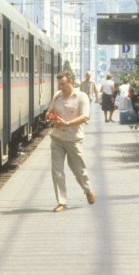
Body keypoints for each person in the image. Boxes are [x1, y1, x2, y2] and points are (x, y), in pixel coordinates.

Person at [46, 70, 95, 212]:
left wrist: (67, 123)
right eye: (59, 84)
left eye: (63, 84)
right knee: (57, 171)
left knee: (78, 170)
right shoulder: (57, 96)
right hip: (57, 139)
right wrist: (51, 117)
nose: (61, 87)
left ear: (71, 82)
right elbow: (49, 112)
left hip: (74, 139)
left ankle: (88, 190)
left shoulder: (81, 97)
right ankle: (62, 202)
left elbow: (85, 117)